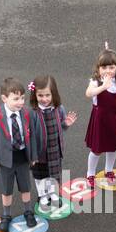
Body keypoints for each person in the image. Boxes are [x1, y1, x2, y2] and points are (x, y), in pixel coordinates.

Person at [0, 78, 45, 232]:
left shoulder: (28, 113)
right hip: (6, 159)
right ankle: (6, 215)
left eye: (23, 98)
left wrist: (33, 156)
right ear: (4, 98)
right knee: (6, 189)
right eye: (16, 99)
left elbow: (33, 136)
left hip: (23, 157)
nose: (20, 102)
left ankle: (28, 212)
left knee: (25, 187)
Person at [29, 75, 76, 208]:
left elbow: (59, 127)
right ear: (35, 95)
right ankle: (43, 195)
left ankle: (53, 193)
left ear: (53, 94)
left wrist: (65, 124)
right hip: (39, 152)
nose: (44, 99)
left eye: (47, 95)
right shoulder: (33, 113)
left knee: (54, 174)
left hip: (54, 149)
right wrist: (32, 155)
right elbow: (30, 135)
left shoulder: (59, 109)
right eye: (40, 95)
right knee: (40, 176)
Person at [84, 44, 116, 184]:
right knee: (96, 150)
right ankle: (90, 173)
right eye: (104, 67)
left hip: (114, 120)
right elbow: (88, 93)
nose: (108, 71)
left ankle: (109, 170)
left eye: (111, 67)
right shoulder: (96, 82)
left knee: (112, 148)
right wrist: (103, 87)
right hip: (100, 121)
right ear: (98, 68)